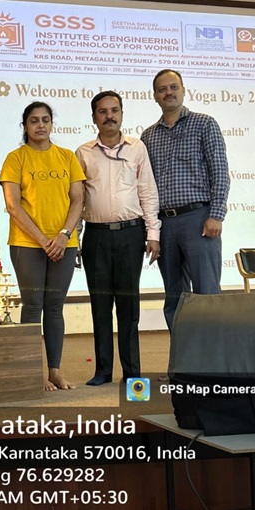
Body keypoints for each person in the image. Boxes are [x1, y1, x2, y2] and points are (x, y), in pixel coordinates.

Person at [0, 101, 85, 391]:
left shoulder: (67, 157)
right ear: (24, 126)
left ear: (52, 124)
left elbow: (78, 200)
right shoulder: (16, 158)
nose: (40, 125)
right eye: (33, 120)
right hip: (28, 244)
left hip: (64, 242)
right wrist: (42, 240)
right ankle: (33, 372)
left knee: (55, 307)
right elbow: (13, 206)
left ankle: (55, 372)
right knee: (33, 306)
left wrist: (62, 236)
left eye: (45, 120)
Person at [77, 91, 161, 386]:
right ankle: (102, 371)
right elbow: (77, 199)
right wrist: (74, 238)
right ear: (94, 118)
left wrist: (153, 234)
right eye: (102, 111)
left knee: (128, 307)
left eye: (114, 110)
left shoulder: (137, 148)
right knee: (100, 306)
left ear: (122, 114)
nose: (109, 116)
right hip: (96, 238)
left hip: (130, 235)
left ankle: (132, 373)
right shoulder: (83, 152)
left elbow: (148, 192)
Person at [140, 69, 230, 331]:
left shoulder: (205, 124)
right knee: (174, 297)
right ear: (155, 96)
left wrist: (216, 215)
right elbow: (146, 186)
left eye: (173, 87)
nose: (168, 92)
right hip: (165, 225)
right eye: (162, 89)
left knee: (207, 294)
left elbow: (220, 171)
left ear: (183, 89)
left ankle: (214, 367)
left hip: (199, 219)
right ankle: (182, 362)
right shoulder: (148, 136)